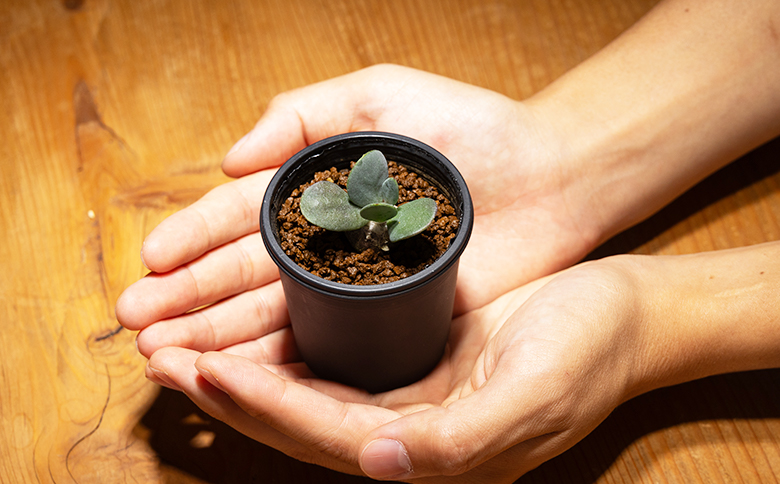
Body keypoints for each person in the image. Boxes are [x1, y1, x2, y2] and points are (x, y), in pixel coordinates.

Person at [116, 0, 780, 481]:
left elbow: (411, 216)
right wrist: (564, 153)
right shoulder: (324, 211)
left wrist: (648, 320)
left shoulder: (416, 222)